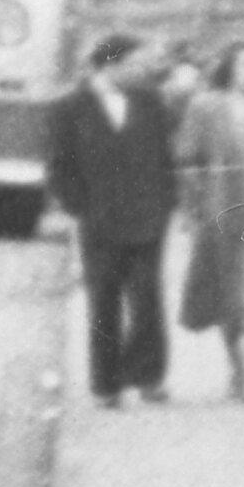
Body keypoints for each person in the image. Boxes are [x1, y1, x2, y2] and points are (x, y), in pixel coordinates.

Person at [44, 31, 180, 408]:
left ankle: (149, 378)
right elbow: (59, 168)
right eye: (136, 64)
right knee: (104, 301)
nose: (144, 70)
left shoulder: (150, 102)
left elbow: (164, 159)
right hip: (99, 222)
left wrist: (166, 202)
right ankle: (107, 386)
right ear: (111, 65)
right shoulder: (68, 108)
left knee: (147, 299)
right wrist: (82, 210)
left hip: (149, 218)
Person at [176, 50, 244, 400]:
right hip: (220, 212)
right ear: (230, 70)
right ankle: (236, 363)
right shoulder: (205, 106)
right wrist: (193, 210)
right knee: (227, 296)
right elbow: (188, 160)